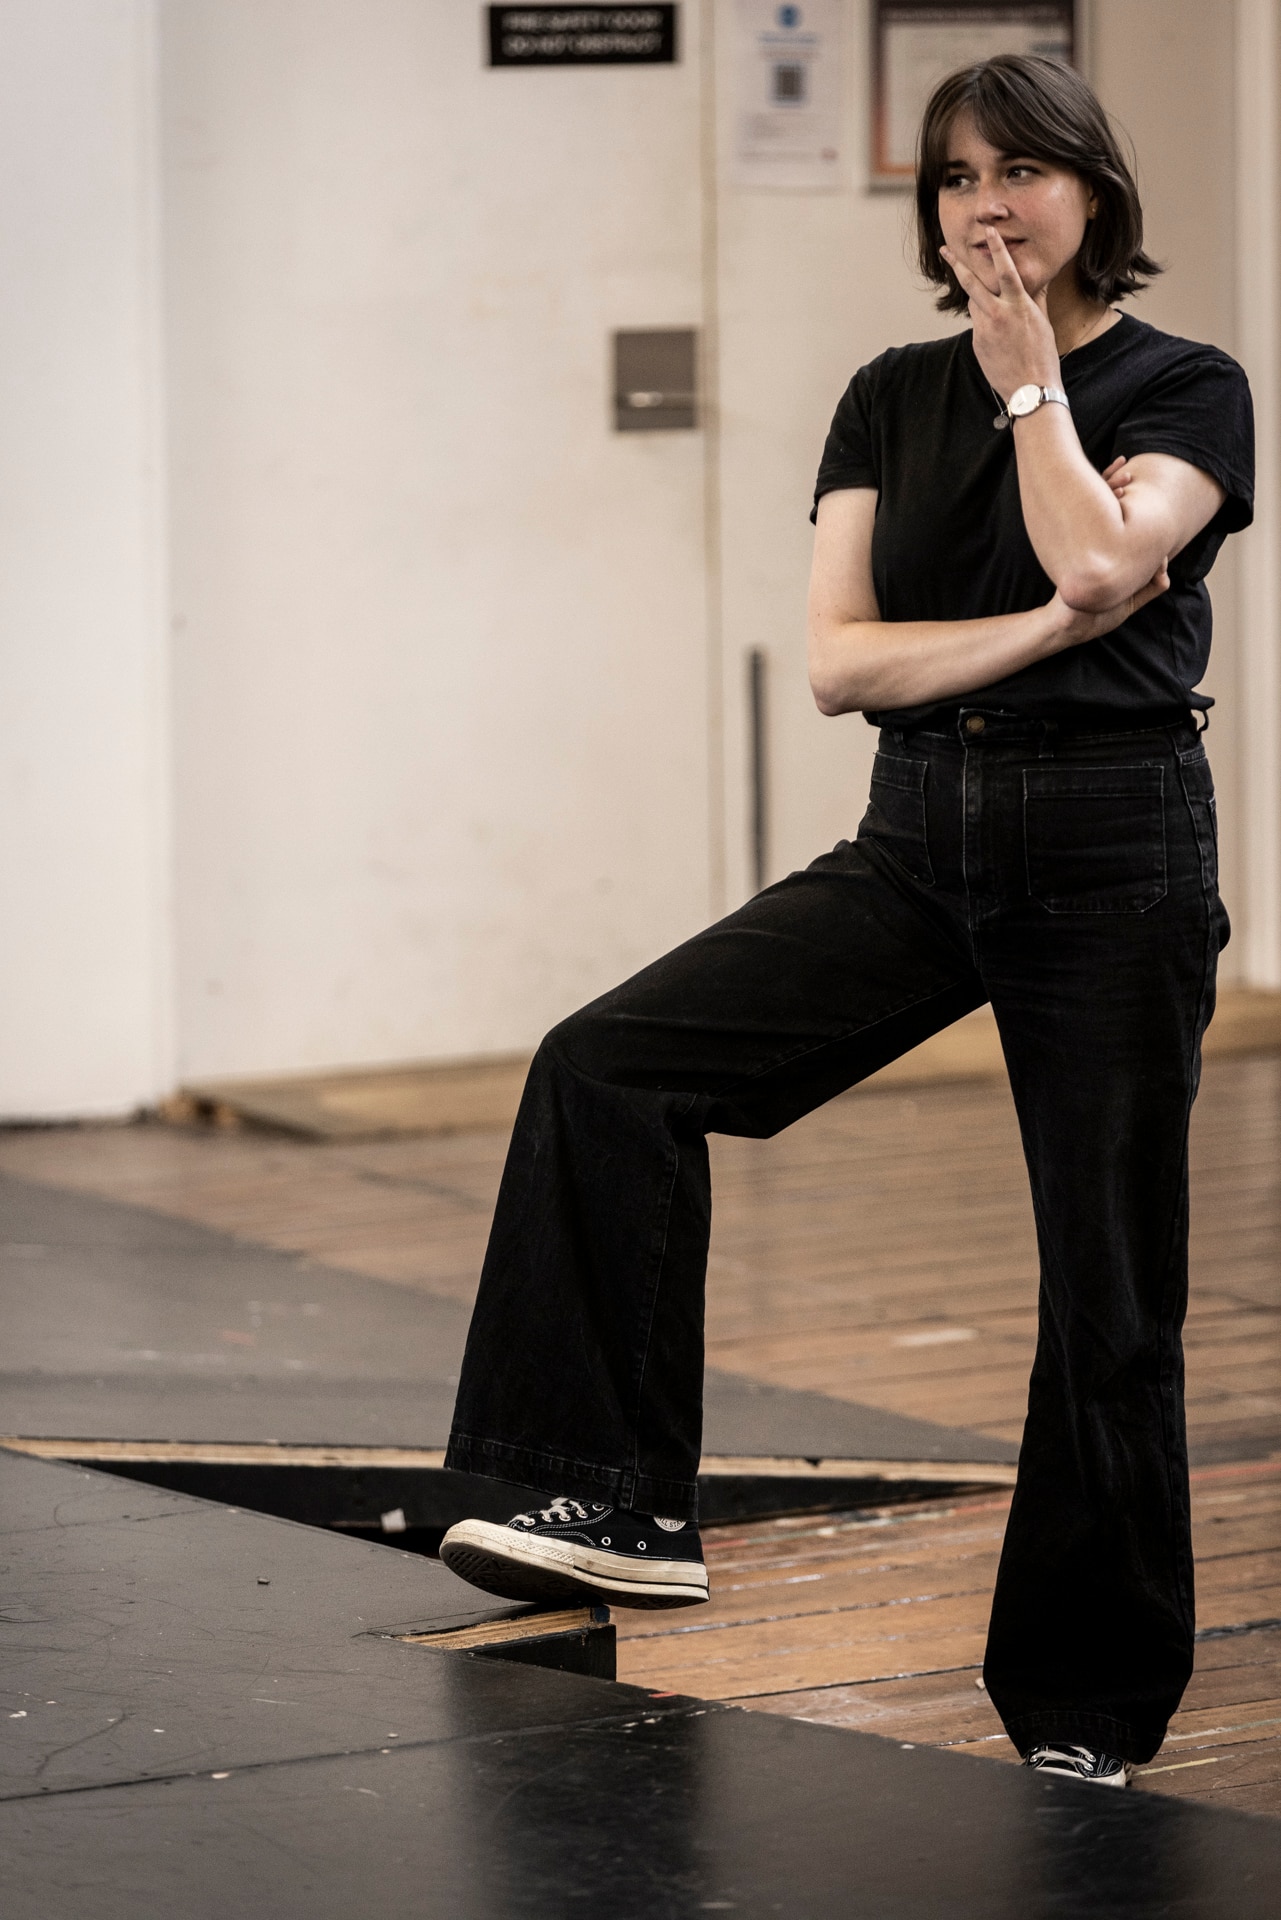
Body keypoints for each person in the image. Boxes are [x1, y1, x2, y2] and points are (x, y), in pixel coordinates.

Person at [439, 55, 1254, 1790]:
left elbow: (1110, 558)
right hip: (917, 829)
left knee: (1109, 1291)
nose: (987, 205)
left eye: (1023, 170)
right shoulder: (884, 393)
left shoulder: (1189, 384)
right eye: (957, 177)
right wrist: (1048, 628)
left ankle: (1085, 1719)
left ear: (1093, 190)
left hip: (1113, 845)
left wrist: (1038, 397)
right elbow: (839, 661)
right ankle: (615, 1496)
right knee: (607, 1067)